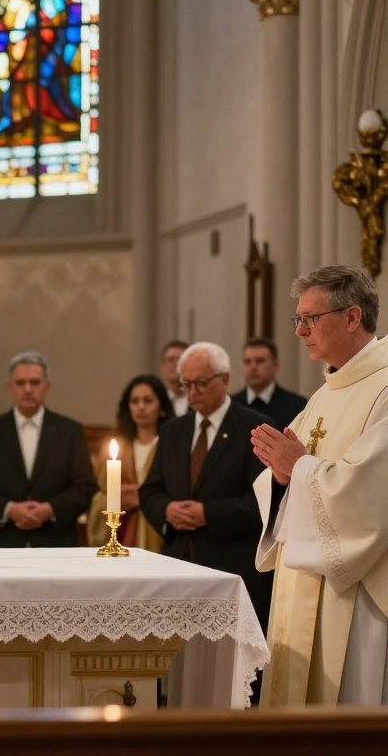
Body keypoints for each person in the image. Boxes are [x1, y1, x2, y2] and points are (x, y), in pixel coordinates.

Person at [251, 264, 388, 706]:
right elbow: (292, 472)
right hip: (305, 582)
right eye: (298, 320)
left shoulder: (384, 386)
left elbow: (370, 493)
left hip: (358, 595)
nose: (300, 331)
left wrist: (300, 471)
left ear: (352, 317)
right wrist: (278, 477)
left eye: (311, 319)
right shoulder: (326, 393)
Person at [140, 342, 274, 633]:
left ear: (224, 379)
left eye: (201, 383)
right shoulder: (173, 430)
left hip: (232, 565)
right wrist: (167, 510)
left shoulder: (255, 429)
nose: (192, 392)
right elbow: (150, 492)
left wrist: (208, 514)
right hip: (178, 562)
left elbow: (262, 502)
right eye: (185, 384)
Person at [0, 351, 97, 547]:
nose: (27, 389)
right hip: (3, 543)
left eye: (35, 383)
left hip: (55, 542)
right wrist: (9, 510)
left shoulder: (70, 431)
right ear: (9, 387)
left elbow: (84, 487)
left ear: (47, 386)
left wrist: (50, 509)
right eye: (20, 383)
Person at [88, 374, 171, 551]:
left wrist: (145, 498)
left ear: (162, 407)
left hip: (158, 534)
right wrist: (113, 499)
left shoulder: (172, 446)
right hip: (123, 528)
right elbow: (98, 496)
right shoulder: (117, 448)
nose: (141, 407)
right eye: (135, 401)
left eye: (148, 401)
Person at [231, 336, 307, 428]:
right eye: (247, 362)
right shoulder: (232, 405)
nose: (253, 367)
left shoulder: (297, 406)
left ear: (275, 365)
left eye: (260, 361)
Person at [160, 340, 190, 416]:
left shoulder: (199, 400)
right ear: (162, 367)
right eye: (171, 360)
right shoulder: (158, 402)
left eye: (180, 359)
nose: (176, 364)